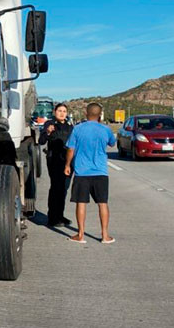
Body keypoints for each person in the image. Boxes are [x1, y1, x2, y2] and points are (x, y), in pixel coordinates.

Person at [64, 103, 117, 244]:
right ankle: (105, 236)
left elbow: (71, 149)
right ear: (100, 115)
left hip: (82, 172)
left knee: (81, 203)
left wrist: (67, 165)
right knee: (102, 203)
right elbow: (112, 143)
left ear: (86, 113)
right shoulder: (105, 129)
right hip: (100, 172)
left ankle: (80, 235)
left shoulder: (78, 129)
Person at [38, 103, 73, 226]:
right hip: (55, 160)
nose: (62, 113)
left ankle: (60, 215)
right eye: (59, 110)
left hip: (68, 161)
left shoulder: (70, 126)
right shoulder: (50, 124)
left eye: (64, 111)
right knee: (56, 188)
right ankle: (52, 217)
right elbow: (41, 141)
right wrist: (47, 132)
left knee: (64, 188)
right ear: (54, 112)